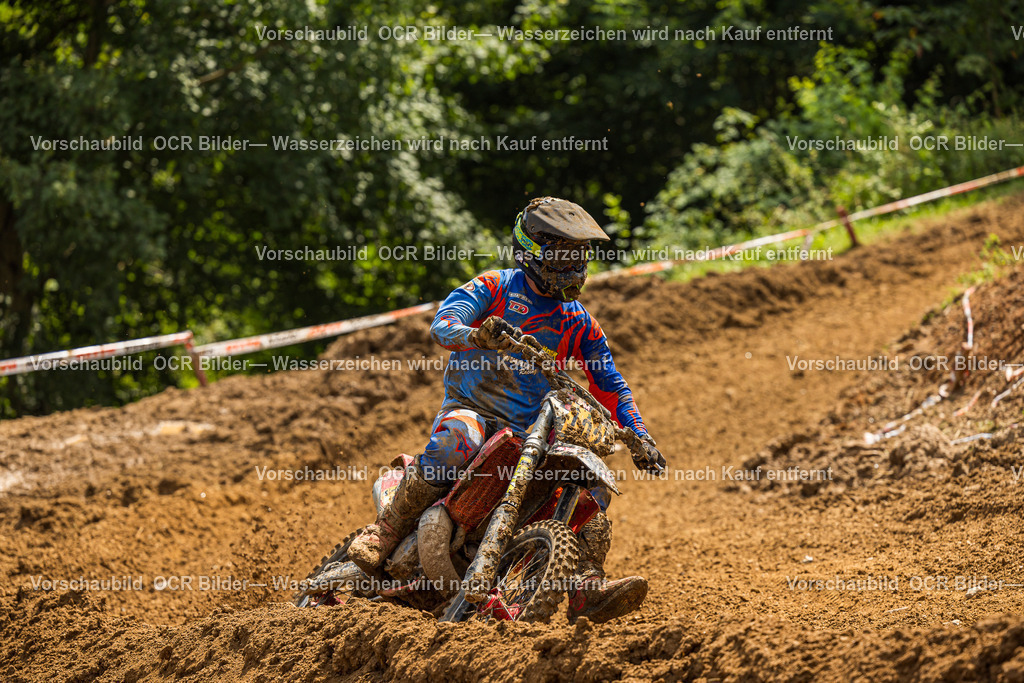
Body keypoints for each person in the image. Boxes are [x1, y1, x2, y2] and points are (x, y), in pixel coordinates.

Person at [348, 196, 666, 623]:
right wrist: (476, 335)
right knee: (459, 442)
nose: (573, 265)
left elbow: (609, 384)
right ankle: (384, 532)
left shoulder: (580, 323)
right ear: (533, 249)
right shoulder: (497, 286)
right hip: (471, 407)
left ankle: (585, 585)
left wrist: (639, 435)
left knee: (591, 486)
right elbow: (444, 322)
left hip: (530, 430)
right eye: (564, 253)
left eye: (580, 254)